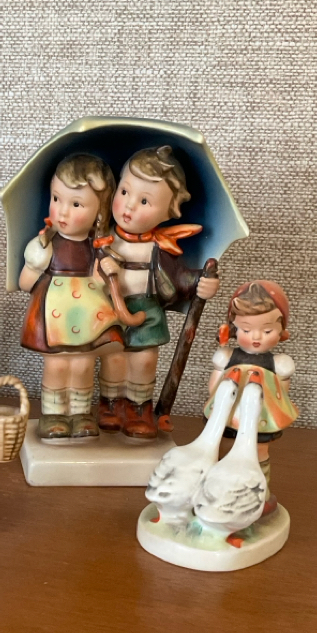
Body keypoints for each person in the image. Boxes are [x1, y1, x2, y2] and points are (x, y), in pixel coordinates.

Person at [96, 147, 219, 438]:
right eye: (124, 192)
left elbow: (179, 279)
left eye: (144, 201)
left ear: (169, 212)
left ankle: (139, 409)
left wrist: (201, 283)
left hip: (147, 310)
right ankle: (111, 404)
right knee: (113, 358)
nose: (129, 206)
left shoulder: (160, 248)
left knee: (144, 360)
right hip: (109, 309)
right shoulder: (102, 239)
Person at [18, 154, 123, 440]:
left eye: (76, 204)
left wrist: (108, 273)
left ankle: (80, 413)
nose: (62, 211)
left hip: (86, 314)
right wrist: (33, 264)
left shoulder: (96, 248)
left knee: (83, 364)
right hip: (54, 312)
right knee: (57, 364)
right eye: (56, 198)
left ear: (100, 212)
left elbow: (103, 285)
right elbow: (25, 284)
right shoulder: (46, 244)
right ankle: (53, 414)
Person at [205, 280, 298, 492]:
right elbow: (214, 389)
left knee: (258, 451)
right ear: (233, 329)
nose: (256, 337)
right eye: (246, 330)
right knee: (224, 446)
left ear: (282, 331)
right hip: (230, 415)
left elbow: (280, 396)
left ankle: (257, 491)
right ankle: (220, 488)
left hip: (259, 420)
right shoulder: (227, 358)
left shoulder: (278, 364)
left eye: (267, 331)